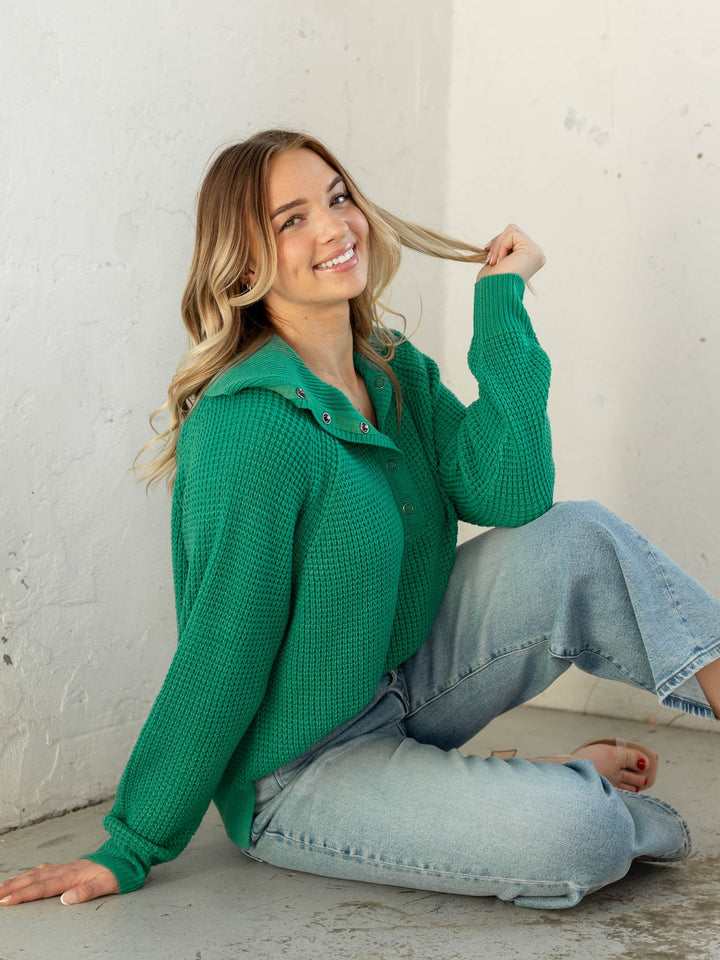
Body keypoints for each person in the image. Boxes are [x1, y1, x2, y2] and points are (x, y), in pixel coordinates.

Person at [2, 129, 719, 911]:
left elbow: (511, 494)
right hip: (303, 768)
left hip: (403, 681)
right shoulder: (250, 427)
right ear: (243, 266)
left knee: (579, 536)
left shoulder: (391, 366)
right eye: (292, 220)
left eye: (338, 198)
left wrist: (501, 301)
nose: (335, 227)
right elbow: (221, 649)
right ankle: (545, 791)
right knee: (580, 836)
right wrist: (132, 845)